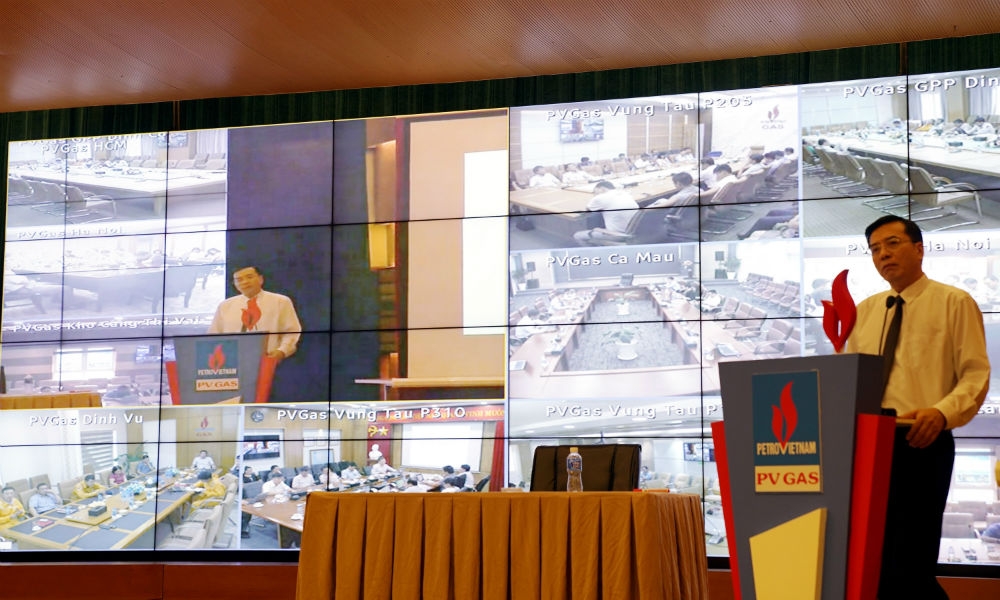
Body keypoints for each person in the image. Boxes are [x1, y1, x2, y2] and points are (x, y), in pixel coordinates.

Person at [846, 215, 990, 599]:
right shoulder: (865, 311)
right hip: (870, 444)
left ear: (919, 248)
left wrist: (942, 412)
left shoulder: (954, 302)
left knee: (912, 562)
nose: (883, 254)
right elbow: (851, 378)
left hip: (922, 440)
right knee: (872, 561)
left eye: (892, 243)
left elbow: (975, 374)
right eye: (875, 249)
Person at [207, 266, 302, 361]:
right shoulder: (225, 305)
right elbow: (214, 335)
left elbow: (291, 331)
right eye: (239, 280)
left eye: (249, 277)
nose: (245, 282)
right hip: (232, 362)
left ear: (260, 279)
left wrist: (282, 351)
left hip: (269, 360)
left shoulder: (280, 301)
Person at [572, 181, 639, 245]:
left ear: (602, 189)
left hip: (618, 235)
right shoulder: (625, 193)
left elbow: (588, 211)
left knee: (578, 236)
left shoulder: (600, 197)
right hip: (635, 231)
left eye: (595, 192)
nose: (594, 194)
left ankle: (598, 252)